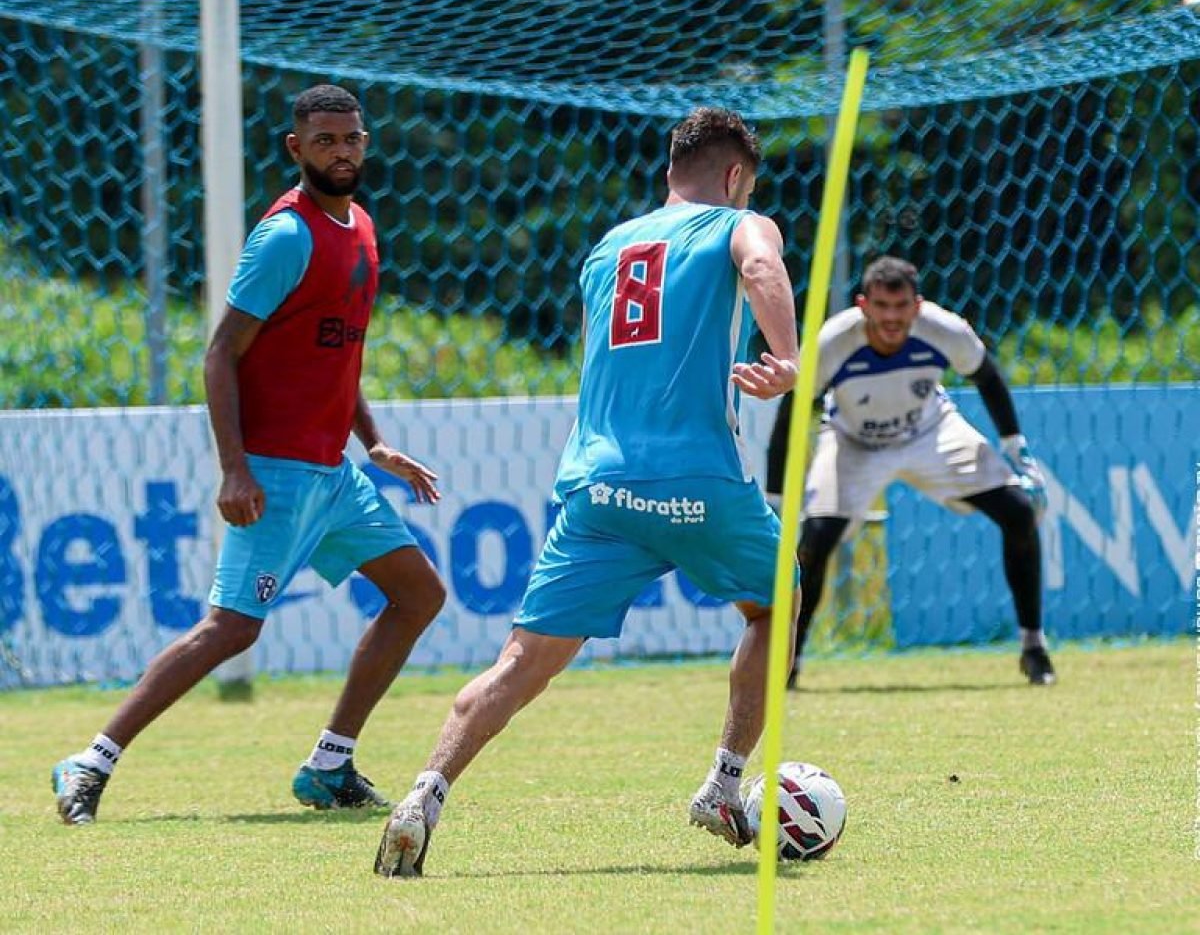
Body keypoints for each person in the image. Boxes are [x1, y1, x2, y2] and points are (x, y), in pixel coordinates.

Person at [373, 107, 800, 878]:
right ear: (736, 177)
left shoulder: (609, 247)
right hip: (697, 478)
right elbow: (762, 266)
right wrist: (788, 357)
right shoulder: (740, 224)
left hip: (599, 484)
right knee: (777, 602)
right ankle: (723, 785)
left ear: (672, 171)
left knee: (521, 660)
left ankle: (423, 796)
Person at [51, 84, 446, 825]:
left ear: (366, 142)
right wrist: (234, 467)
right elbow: (220, 355)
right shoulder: (286, 237)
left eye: (351, 138)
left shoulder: (360, 226)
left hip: (335, 474)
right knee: (231, 629)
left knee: (419, 595)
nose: (341, 151)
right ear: (296, 148)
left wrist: (377, 443)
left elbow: (336, 357)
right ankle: (90, 760)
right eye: (324, 140)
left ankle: (329, 765)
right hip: (277, 471)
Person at [765, 255, 1055, 689]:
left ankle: (1033, 647)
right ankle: (788, 663)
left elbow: (988, 377)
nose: (892, 318)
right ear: (864, 305)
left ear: (916, 306)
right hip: (852, 442)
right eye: (882, 306)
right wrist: (776, 499)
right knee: (815, 540)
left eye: (901, 307)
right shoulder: (833, 341)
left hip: (929, 431)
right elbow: (791, 413)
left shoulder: (944, 329)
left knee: (1018, 512)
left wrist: (1016, 448)